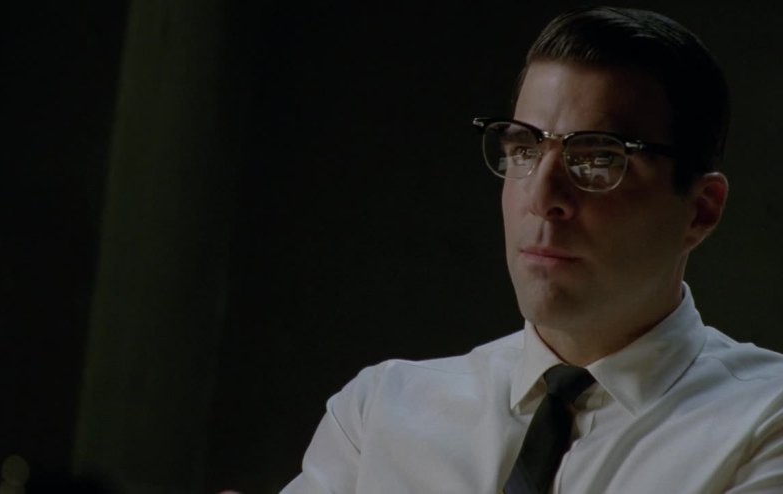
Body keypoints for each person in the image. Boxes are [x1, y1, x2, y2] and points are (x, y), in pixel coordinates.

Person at [282, 6, 783, 493]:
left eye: (598, 158)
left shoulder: (764, 420)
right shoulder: (379, 413)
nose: (542, 198)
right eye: (524, 149)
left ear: (700, 211)